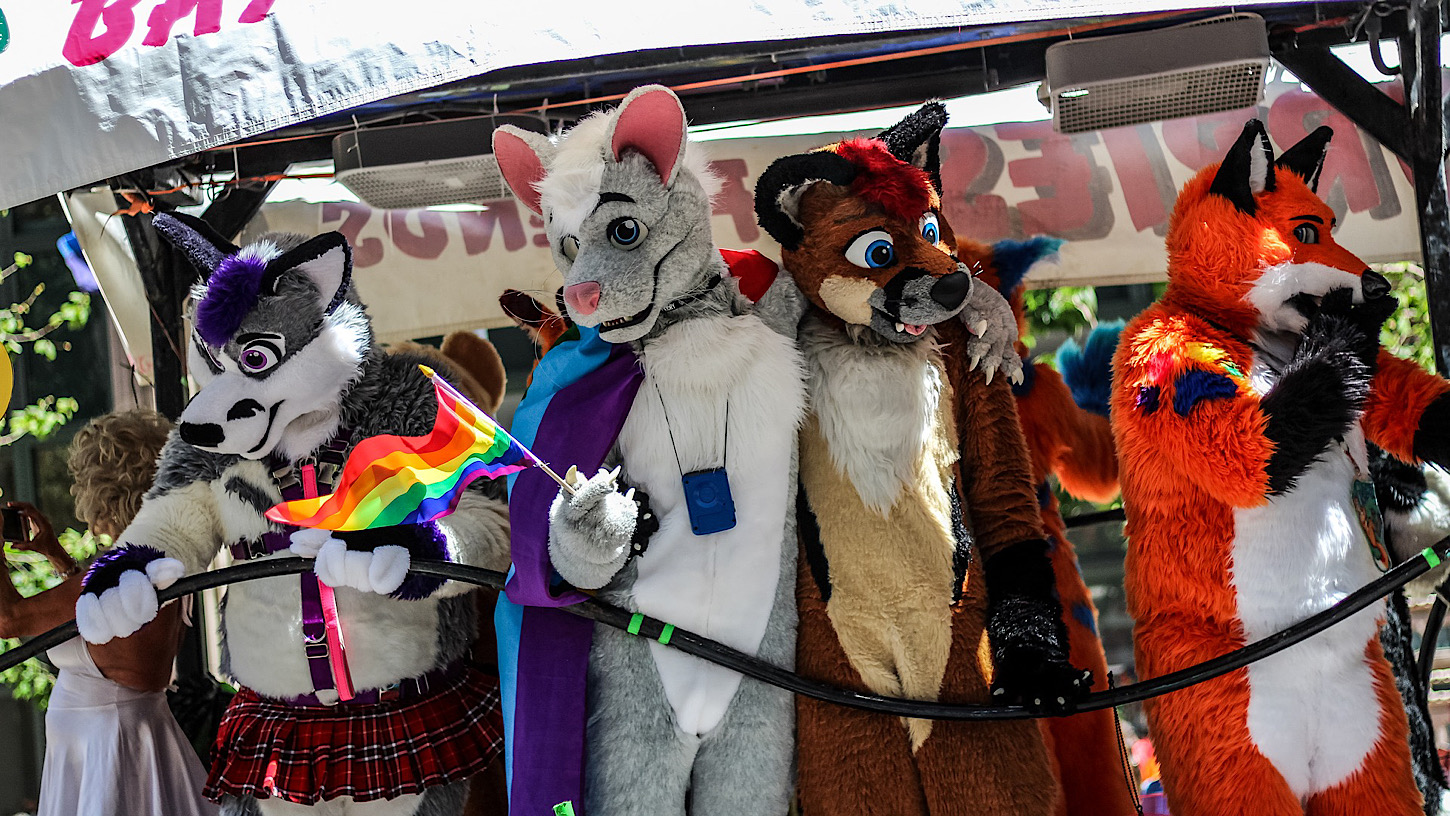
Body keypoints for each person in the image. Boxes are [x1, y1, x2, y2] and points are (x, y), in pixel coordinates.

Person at [0, 408, 216, 816]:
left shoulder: (119, 572)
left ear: (101, 492)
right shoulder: (158, 563)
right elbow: (104, 626)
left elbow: (8, 620)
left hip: (106, 752)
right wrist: (57, 556)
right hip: (137, 741)